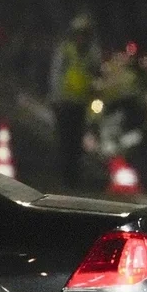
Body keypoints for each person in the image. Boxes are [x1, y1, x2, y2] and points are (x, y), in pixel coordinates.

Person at [47, 14, 102, 186]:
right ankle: (65, 174)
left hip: (81, 104)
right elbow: (56, 75)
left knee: (77, 141)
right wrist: (55, 99)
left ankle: (74, 174)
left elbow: (96, 76)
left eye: (85, 34)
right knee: (64, 140)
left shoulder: (92, 54)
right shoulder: (65, 51)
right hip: (64, 103)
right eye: (80, 34)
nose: (82, 38)